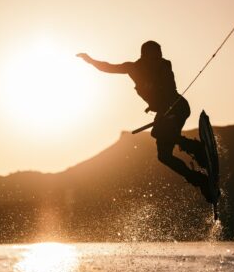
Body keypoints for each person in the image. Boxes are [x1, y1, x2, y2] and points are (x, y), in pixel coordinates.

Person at [77, 41, 214, 203]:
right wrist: (91, 61)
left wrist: (159, 105)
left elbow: (167, 85)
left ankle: (196, 149)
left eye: (160, 53)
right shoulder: (132, 68)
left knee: (160, 132)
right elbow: (109, 67)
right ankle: (200, 180)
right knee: (163, 156)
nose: (159, 57)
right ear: (145, 54)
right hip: (164, 112)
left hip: (177, 107)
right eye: (156, 54)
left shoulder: (164, 65)